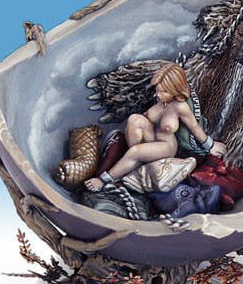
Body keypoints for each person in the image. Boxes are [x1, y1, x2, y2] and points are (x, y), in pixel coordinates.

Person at [84, 63, 225, 192]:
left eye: (164, 91)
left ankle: (104, 179)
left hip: (166, 146)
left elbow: (194, 127)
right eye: (158, 90)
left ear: (175, 89)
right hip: (152, 138)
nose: (158, 95)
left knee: (135, 151)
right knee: (134, 119)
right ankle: (134, 162)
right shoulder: (161, 102)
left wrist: (210, 145)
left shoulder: (180, 107)